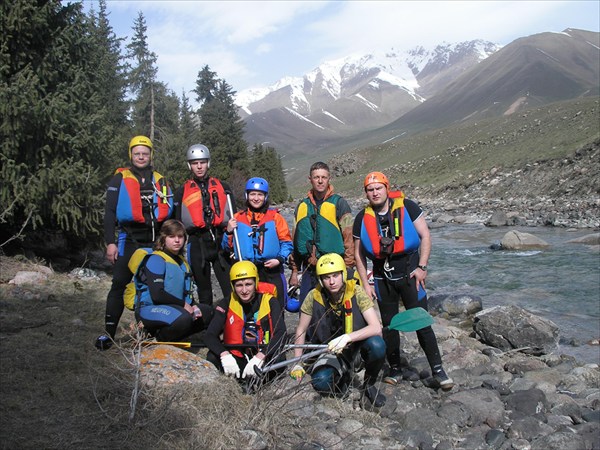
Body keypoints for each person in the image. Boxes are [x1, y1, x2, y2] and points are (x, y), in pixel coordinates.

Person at [353, 171, 454, 390]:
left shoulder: (407, 207)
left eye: (378, 188)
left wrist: (422, 267)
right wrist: (365, 282)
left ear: (386, 188)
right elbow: (358, 254)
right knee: (389, 326)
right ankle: (395, 369)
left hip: (410, 273)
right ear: (366, 193)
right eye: (370, 190)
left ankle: (438, 370)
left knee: (422, 321)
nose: (375, 192)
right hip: (382, 277)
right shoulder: (362, 218)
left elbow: (425, 235)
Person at [96, 135, 173, 350]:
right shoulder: (119, 179)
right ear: (131, 154)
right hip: (128, 240)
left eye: (145, 153)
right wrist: (110, 243)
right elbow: (110, 213)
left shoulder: (160, 180)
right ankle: (108, 333)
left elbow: (169, 214)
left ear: (151, 155)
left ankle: (151, 330)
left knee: (153, 287)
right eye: (137, 153)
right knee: (119, 285)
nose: (141, 157)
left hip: (154, 242)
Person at [290, 253, 387, 408]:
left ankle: (369, 383)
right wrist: (297, 362)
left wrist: (347, 338)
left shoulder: (356, 291)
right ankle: (343, 377)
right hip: (329, 350)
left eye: (335, 275)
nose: (332, 281)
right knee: (321, 381)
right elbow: (301, 329)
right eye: (327, 277)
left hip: (356, 347)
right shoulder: (313, 296)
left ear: (343, 274)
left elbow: (376, 328)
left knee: (377, 345)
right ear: (321, 280)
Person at [204, 261, 286, 381]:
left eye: (248, 284)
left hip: (263, 356)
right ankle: (237, 379)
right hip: (237, 356)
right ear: (233, 286)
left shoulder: (271, 302)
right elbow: (209, 335)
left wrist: (261, 356)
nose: (244, 290)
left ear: (256, 283)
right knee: (212, 356)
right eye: (239, 285)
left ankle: (257, 382)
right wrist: (224, 355)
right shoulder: (226, 303)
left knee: (279, 359)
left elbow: (281, 333)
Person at [222, 177, 293, 314]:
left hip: (271, 270)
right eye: (252, 194)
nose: (256, 198)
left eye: (260, 194)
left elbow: (287, 243)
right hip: (247, 273)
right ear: (247, 196)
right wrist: (228, 232)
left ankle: (277, 334)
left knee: (277, 308)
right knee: (251, 311)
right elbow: (226, 247)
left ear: (265, 197)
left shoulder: (275, 218)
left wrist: (279, 259)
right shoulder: (237, 218)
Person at [174, 144, 234, 305]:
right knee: (204, 290)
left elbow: (235, 217)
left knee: (229, 288)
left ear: (208, 163)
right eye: (195, 163)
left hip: (220, 241)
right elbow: (176, 224)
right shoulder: (181, 192)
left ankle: (231, 324)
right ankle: (208, 325)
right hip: (196, 242)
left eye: (202, 162)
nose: (199, 166)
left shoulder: (223, 187)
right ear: (189, 165)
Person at [135, 219, 213, 341]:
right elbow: (157, 295)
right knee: (184, 318)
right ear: (164, 238)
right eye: (172, 236)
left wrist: (193, 306)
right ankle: (156, 339)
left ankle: (175, 335)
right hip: (149, 309)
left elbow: (185, 292)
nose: (177, 240)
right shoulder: (156, 259)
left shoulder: (182, 262)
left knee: (208, 312)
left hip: (175, 308)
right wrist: (184, 305)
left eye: (180, 236)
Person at [288, 161, 355, 304]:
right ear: (310, 179)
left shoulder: (340, 204)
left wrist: (348, 267)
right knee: (307, 311)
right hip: (309, 269)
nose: (320, 181)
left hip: (334, 270)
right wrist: (294, 271)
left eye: (323, 177)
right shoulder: (302, 206)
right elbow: (295, 239)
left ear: (329, 178)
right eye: (316, 177)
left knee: (335, 313)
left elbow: (348, 237)